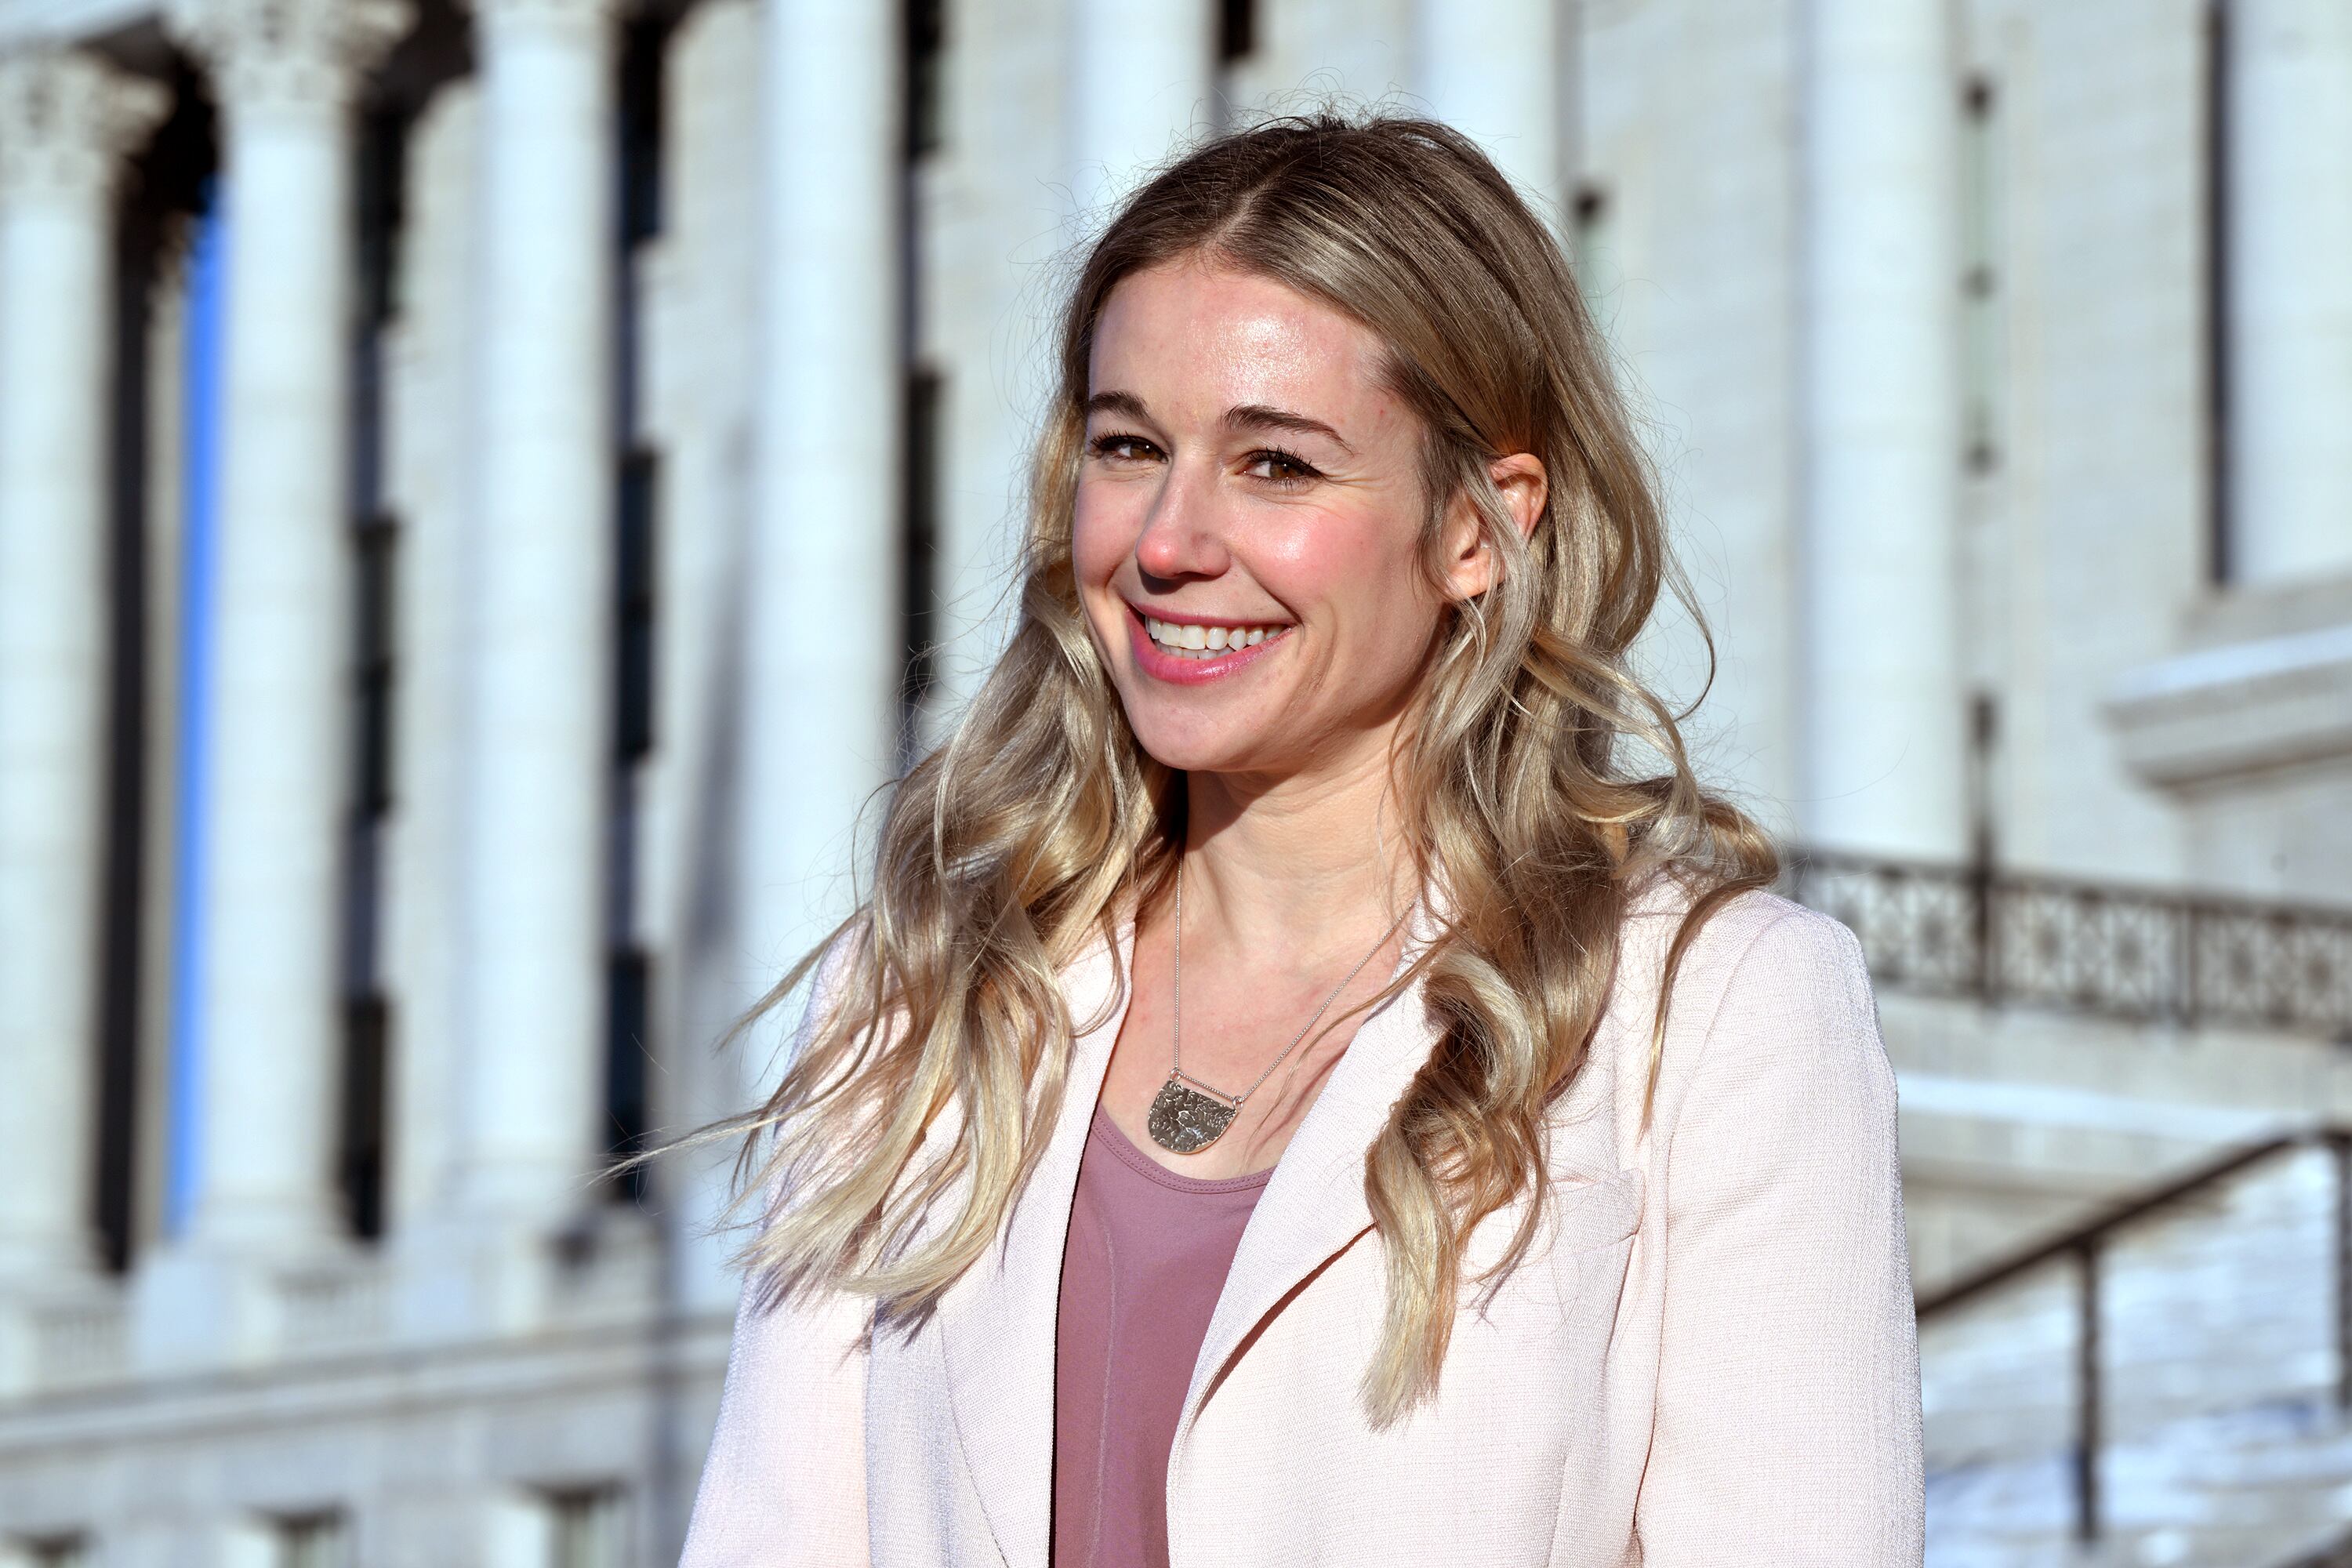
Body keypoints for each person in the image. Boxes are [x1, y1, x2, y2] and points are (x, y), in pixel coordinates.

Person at [679, 113, 1923, 1568]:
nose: (1167, 540)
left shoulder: (1714, 1017)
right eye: (1129, 446)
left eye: (1276, 466)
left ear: (1478, 528)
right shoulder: (920, 1000)